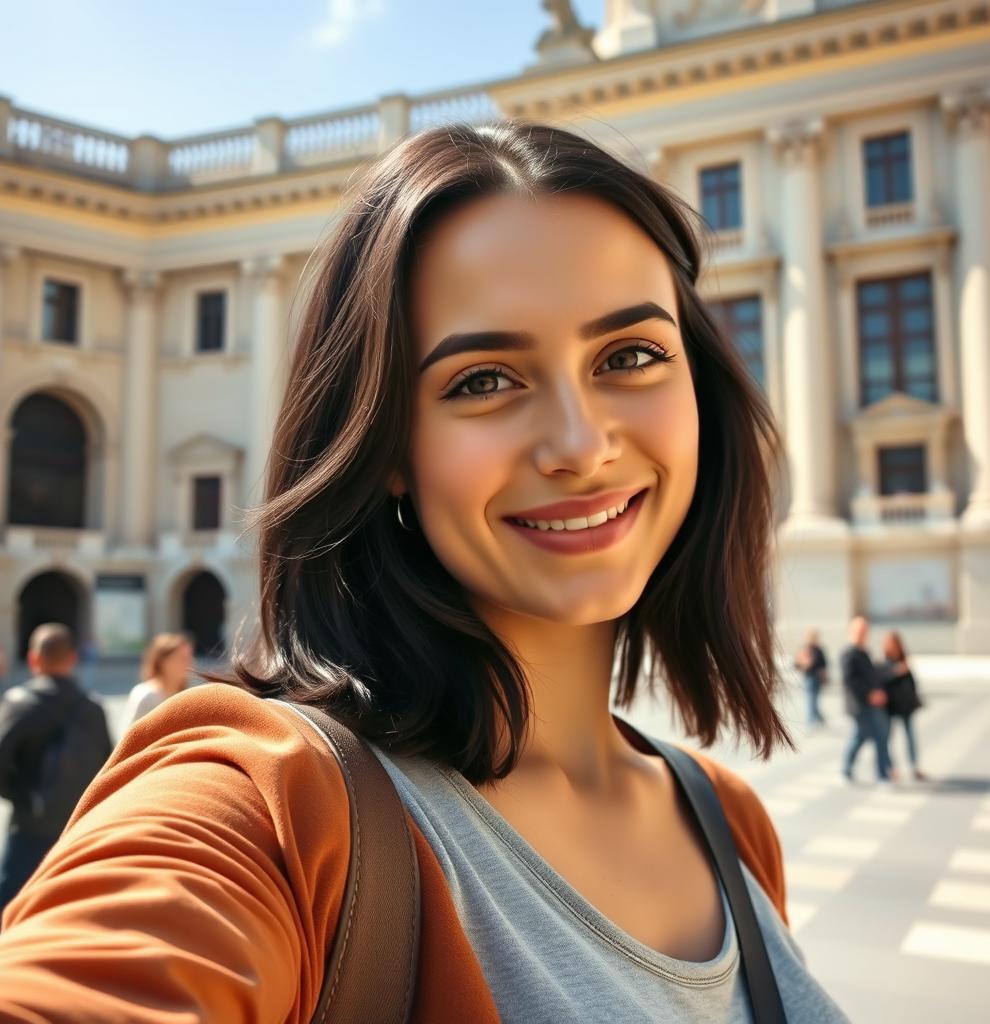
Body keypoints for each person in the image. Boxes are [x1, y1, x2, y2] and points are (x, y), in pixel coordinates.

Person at [0, 121, 848, 1021]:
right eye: (483, 380)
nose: (579, 444)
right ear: (386, 443)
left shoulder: (729, 820)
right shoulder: (269, 800)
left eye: (630, 356)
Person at [0, 623, 112, 915]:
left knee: (11, 906)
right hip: (78, 829)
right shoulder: (93, 709)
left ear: (33, 659)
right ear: (73, 659)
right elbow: (109, 769)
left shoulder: (19, 704)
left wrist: (21, 796)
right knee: (72, 910)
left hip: (29, 827)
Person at [840, 616, 892, 785]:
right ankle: (882, 775)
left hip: (872, 704)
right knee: (879, 736)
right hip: (860, 705)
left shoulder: (864, 653)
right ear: (852, 632)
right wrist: (869, 695)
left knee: (861, 737)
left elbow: (872, 676)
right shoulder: (849, 654)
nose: (862, 634)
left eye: (864, 631)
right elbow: (850, 681)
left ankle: (846, 769)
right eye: (859, 631)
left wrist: (879, 692)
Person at [120, 633, 194, 736]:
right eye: (181, 658)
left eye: (189, 657)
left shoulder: (188, 696)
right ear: (163, 662)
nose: (188, 664)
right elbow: (127, 738)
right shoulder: (146, 695)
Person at [880, 630, 926, 782]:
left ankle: (914, 766)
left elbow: (911, 683)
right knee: (888, 738)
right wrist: (896, 671)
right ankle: (891, 767)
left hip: (905, 706)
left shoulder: (903, 659)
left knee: (910, 737)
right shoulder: (884, 661)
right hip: (891, 707)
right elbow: (881, 679)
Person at [794, 629, 828, 727]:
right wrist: (803, 664)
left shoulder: (818, 650)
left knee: (814, 699)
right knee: (811, 699)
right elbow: (796, 664)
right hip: (809, 677)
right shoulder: (805, 649)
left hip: (817, 677)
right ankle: (811, 721)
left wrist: (813, 664)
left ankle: (819, 718)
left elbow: (824, 664)